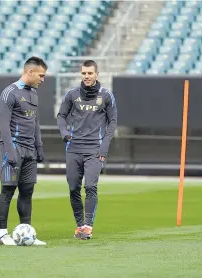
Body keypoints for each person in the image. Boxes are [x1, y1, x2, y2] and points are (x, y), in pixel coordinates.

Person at [56, 60, 117, 240]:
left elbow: (112, 122)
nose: (87, 77)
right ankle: (80, 226)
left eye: (90, 73)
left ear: (96, 74)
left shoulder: (106, 96)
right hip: (73, 148)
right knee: (74, 188)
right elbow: (61, 116)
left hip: (94, 149)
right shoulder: (72, 95)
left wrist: (104, 146)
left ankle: (88, 226)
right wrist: (64, 132)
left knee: (90, 186)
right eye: (84, 73)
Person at [0, 56, 48, 245]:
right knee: (8, 190)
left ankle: (27, 233)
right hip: (13, 146)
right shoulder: (9, 92)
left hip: (30, 150)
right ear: (30, 72)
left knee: (27, 192)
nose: (43, 79)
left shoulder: (34, 94)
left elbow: (35, 123)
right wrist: (9, 150)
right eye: (41, 75)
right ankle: (2, 234)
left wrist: (39, 146)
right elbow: (4, 125)